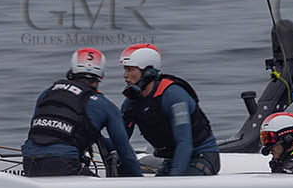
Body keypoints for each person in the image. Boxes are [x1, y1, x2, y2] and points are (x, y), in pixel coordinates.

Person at [21, 47, 143, 178]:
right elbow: (125, 153)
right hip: (63, 165)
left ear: (72, 70)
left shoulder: (47, 93)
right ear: (101, 75)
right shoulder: (103, 104)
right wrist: (141, 185)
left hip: (29, 163)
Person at [118, 43, 220, 177]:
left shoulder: (173, 95)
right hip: (171, 159)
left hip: (201, 156)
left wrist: (173, 181)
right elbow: (120, 139)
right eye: (125, 69)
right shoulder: (131, 103)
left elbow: (184, 143)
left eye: (131, 70)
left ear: (147, 71)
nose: (125, 75)